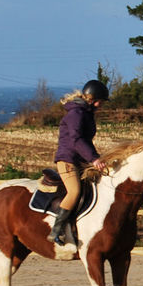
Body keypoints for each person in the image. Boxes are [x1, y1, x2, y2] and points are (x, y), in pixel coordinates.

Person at [50, 79, 109, 244]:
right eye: (101, 101)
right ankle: (56, 230)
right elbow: (77, 140)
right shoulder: (76, 114)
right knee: (74, 191)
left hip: (80, 160)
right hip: (68, 159)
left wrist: (96, 158)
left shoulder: (85, 113)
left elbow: (87, 142)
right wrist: (94, 159)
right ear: (91, 99)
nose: (101, 105)